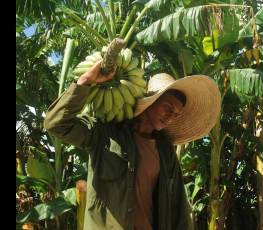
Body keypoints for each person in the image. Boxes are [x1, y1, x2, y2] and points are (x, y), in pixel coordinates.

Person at [44, 61, 221, 230]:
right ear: (151, 101)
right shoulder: (105, 134)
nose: (170, 116)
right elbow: (56, 124)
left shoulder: (165, 150)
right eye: (167, 107)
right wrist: (85, 81)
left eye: (175, 114)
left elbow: (178, 205)